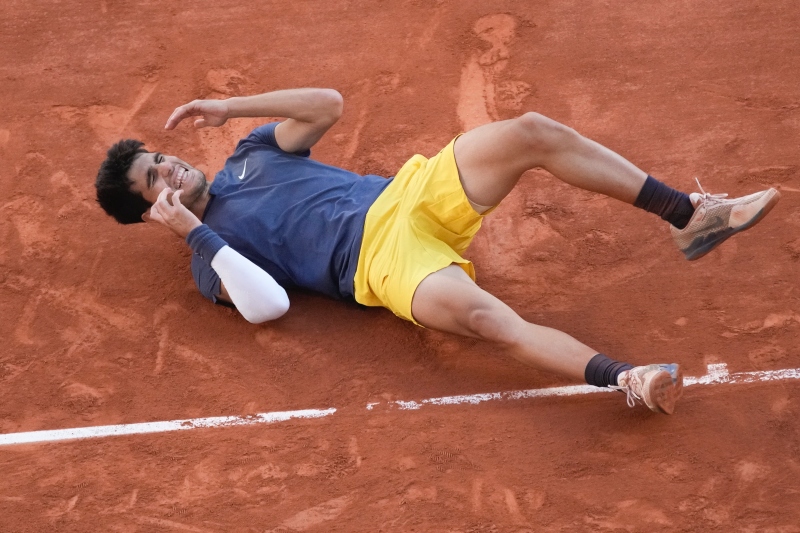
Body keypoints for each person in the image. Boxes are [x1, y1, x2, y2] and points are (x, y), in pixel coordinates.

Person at [95, 88, 780, 415]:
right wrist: (194, 232)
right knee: (488, 321)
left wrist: (231, 108)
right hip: (379, 267)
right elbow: (268, 305)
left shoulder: (249, 154)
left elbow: (327, 104)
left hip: (408, 196)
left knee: (531, 131)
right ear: (148, 209)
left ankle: (688, 215)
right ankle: (625, 377)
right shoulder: (207, 260)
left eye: (161, 158)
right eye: (154, 179)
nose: (172, 170)